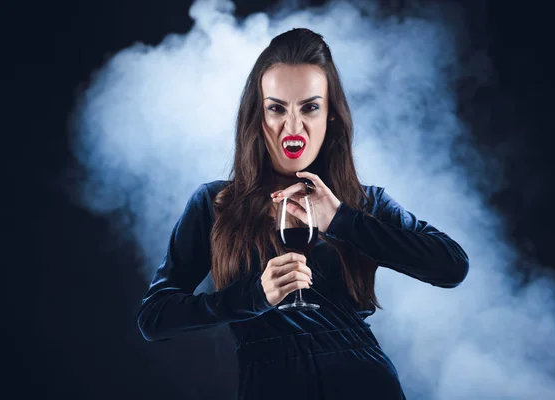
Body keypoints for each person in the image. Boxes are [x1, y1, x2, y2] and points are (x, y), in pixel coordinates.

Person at [137, 28, 469, 400]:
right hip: (270, 383)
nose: (292, 127)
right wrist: (251, 297)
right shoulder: (216, 203)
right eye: (276, 108)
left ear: (330, 117)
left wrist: (344, 221)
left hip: (365, 383)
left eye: (310, 107)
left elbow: (452, 266)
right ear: (257, 118)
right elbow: (155, 318)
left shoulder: (363, 203)